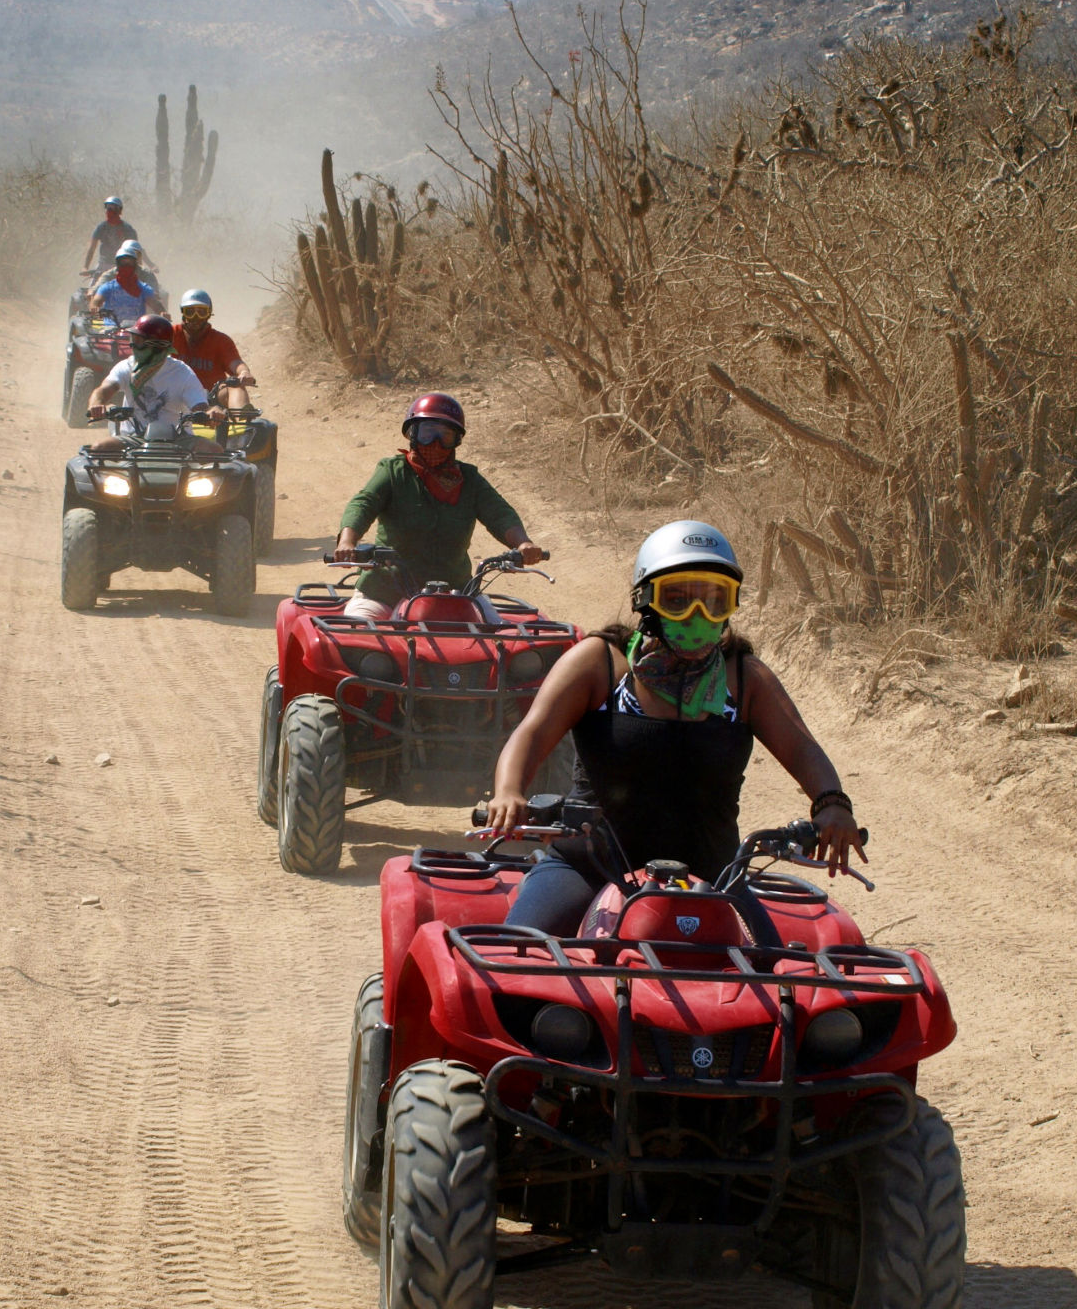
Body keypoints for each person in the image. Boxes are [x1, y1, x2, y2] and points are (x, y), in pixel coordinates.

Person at [485, 520, 866, 934]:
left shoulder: (744, 679)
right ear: (645, 601)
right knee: (518, 963)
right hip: (589, 867)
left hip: (715, 880)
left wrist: (832, 803)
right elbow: (533, 732)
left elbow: (802, 748)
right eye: (678, 599)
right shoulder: (601, 663)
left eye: (714, 601)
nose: (697, 614)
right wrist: (508, 792)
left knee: (774, 979)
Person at [332, 393, 544, 623]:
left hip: (457, 594)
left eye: (445, 435)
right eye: (427, 432)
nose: (435, 443)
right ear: (412, 434)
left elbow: (499, 512)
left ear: (457, 441)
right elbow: (364, 503)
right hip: (384, 592)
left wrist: (523, 543)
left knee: (501, 640)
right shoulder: (393, 472)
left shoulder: (469, 479)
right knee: (355, 643)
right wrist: (347, 542)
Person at [87, 314, 218, 442]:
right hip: (133, 438)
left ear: (157, 347)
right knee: (100, 448)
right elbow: (104, 389)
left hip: (178, 439)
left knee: (213, 450)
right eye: (133, 340)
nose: (132, 346)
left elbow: (199, 406)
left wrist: (210, 414)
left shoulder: (182, 373)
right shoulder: (126, 366)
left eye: (138, 342)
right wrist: (96, 404)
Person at [173, 289, 256, 409]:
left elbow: (235, 363)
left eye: (201, 312)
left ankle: (242, 423)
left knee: (235, 386)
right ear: (183, 313)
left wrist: (244, 372)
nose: (196, 318)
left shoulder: (220, 340)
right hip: (175, 398)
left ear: (209, 314)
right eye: (190, 312)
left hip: (212, 399)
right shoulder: (169, 335)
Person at [89, 242, 163, 326]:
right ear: (118, 265)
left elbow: (155, 304)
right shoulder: (108, 287)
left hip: (136, 330)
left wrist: (162, 313)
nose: (126, 267)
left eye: (129, 263)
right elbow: (96, 300)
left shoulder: (143, 288)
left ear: (135, 264)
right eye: (123, 263)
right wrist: (94, 307)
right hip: (110, 330)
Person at [81, 197, 150, 279]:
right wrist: (85, 267)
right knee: (93, 288)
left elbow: (137, 250)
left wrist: (149, 264)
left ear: (119, 211)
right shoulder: (101, 228)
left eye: (113, 208)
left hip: (123, 265)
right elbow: (92, 248)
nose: (109, 211)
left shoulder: (127, 229)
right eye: (108, 207)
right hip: (103, 265)